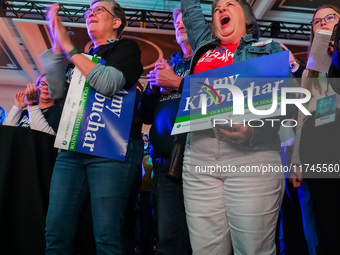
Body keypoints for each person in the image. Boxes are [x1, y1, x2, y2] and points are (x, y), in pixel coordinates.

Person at [179, 0, 296, 254]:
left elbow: (287, 105)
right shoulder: (203, 47)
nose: (221, 9)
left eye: (229, 4)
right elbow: (189, 9)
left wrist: (253, 131)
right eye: (216, 8)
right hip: (199, 158)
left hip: (252, 157)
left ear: (247, 16)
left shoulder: (269, 49)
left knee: (253, 249)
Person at [39, 0, 144, 254]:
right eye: (89, 11)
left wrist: (69, 48)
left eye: (99, 10)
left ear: (116, 22)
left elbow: (108, 84)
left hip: (111, 150)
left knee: (107, 236)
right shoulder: (83, 58)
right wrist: (56, 44)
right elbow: (55, 93)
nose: (90, 13)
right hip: (73, 150)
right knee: (55, 233)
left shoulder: (126, 49)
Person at [140, 6, 192, 255]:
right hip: (164, 160)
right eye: (176, 22)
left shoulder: (210, 61)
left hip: (199, 156)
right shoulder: (169, 63)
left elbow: (218, 97)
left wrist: (174, 82)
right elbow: (145, 115)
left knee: (200, 234)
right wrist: (152, 89)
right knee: (168, 235)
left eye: (185, 21)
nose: (179, 25)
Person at [289, 5, 340, 255]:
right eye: (317, 21)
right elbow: (302, 116)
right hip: (318, 158)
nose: (322, 24)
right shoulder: (312, 70)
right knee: (324, 230)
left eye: (330, 18)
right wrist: (296, 159)